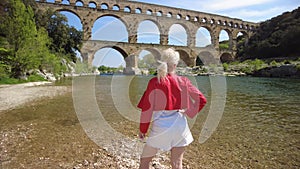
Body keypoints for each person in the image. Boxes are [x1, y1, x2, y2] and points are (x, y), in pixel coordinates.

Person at [137, 48, 207, 169]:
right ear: (175, 65)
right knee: (177, 164)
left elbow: (147, 109)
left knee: (145, 160)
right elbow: (202, 99)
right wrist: (189, 112)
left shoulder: (155, 82)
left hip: (161, 126)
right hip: (180, 124)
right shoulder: (183, 81)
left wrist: (143, 129)